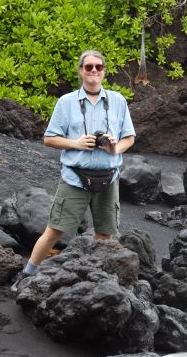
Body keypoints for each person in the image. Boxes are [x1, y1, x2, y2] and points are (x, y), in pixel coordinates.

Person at [14, 50, 136, 285]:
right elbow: (49, 139)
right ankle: (27, 273)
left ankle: (99, 281)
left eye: (98, 67)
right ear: (80, 71)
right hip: (75, 178)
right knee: (54, 230)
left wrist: (114, 148)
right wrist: (76, 143)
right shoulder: (67, 102)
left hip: (109, 178)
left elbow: (129, 138)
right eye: (88, 67)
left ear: (104, 72)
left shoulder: (118, 101)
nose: (93, 71)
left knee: (105, 235)